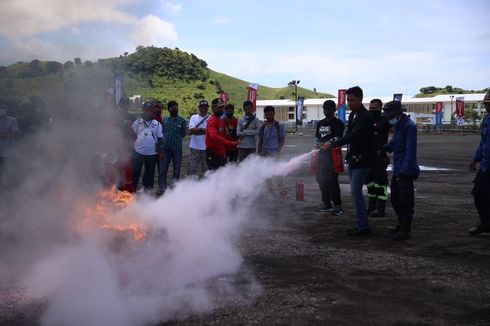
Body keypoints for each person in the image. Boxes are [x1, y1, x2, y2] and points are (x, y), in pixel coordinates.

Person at [322, 86, 375, 236]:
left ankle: (363, 226)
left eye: (352, 100)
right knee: (355, 192)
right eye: (348, 101)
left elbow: (353, 136)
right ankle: (362, 224)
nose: (349, 103)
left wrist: (332, 144)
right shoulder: (353, 115)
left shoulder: (365, 116)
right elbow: (350, 135)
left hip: (363, 160)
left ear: (360, 99)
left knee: (355, 191)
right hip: (354, 159)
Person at [382, 101, 420, 241]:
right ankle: (400, 224)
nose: (388, 118)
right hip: (398, 169)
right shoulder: (399, 125)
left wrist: (404, 173)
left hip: (406, 171)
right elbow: (394, 143)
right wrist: (383, 148)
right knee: (395, 199)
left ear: (398, 114)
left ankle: (406, 230)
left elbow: (410, 150)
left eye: (389, 115)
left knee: (405, 201)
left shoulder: (409, 126)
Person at [315, 100, 345, 215]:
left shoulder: (338, 124)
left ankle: (337, 205)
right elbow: (317, 137)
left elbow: (339, 138)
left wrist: (327, 143)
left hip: (333, 157)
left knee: (332, 180)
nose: (327, 111)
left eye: (329, 109)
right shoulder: (320, 123)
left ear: (334, 110)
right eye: (325, 109)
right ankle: (326, 203)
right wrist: (317, 144)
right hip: (321, 156)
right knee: (321, 179)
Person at [468, 90, 490, 235]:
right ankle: (486, 223)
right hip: (486, 166)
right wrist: (475, 159)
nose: (487, 107)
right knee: (479, 194)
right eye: (486, 104)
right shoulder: (487, 120)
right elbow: (483, 142)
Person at [366, 99, 392, 217]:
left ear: (380, 108)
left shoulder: (384, 121)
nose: (372, 111)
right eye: (370, 108)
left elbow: (397, 131)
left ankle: (381, 209)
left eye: (374, 108)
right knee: (370, 183)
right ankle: (371, 206)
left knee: (380, 183)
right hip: (368, 157)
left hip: (380, 158)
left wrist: (385, 150)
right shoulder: (367, 120)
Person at [131, 102, 163, 193]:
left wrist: (161, 152)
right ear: (143, 110)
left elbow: (160, 138)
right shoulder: (137, 123)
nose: (148, 112)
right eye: (146, 110)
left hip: (152, 154)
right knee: (135, 173)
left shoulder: (157, 124)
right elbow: (132, 136)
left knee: (149, 174)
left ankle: (147, 193)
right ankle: (132, 192)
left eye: (150, 110)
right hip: (138, 152)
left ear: (152, 111)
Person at [158, 100, 187, 195]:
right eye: (172, 107)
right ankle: (162, 188)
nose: (174, 109)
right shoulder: (165, 120)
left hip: (177, 149)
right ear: (169, 109)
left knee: (177, 170)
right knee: (163, 170)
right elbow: (161, 133)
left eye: (176, 107)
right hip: (165, 149)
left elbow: (183, 134)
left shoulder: (182, 121)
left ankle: (175, 190)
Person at [258, 105, 287, 197]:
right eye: (267, 114)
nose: (269, 116)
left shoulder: (279, 125)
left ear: (274, 114)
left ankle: (281, 190)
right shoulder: (262, 126)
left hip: (275, 152)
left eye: (270, 114)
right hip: (265, 152)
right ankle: (269, 190)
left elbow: (282, 139)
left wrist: (278, 150)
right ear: (265, 115)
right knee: (266, 172)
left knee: (279, 172)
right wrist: (259, 152)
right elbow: (261, 140)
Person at [205, 98, 238, 170]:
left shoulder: (221, 120)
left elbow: (222, 136)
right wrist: (230, 143)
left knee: (222, 175)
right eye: (219, 107)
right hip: (212, 153)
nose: (221, 109)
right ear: (213, 108)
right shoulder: (212, 120)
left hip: (220, 153)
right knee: (214, 176)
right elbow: (213, 136)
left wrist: (223, 154)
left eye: (222, 107)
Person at [117, 96, 136, 192]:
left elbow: (135, 132)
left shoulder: (132, 118)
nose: (124, 107)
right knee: (116, 165)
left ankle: (127, 186)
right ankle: (117, 185)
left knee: (128, 165)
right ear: (120, 105)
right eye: (122, 105)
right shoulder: (115, 117)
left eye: (126, 105)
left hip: (128, 145)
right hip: (116, 144)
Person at [187, 100, 209, 177]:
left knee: (207, 170)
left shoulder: (210, 118)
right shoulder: (193, 117)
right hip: (194, 147)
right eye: (201, 107)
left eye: (205, 107)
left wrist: (198, 130)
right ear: (199, 108)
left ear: (208, 108)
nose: (203, 109)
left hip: (206, 148)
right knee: (192, 169)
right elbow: (191, 130)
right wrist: (204, 130)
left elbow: (211, 132)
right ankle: (190, 185)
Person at [0, 105, 20, 179]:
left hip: (7, 151)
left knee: (7, 171)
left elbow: (15, 133)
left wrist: (3, 135)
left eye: (2, 108)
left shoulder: (12, 120)